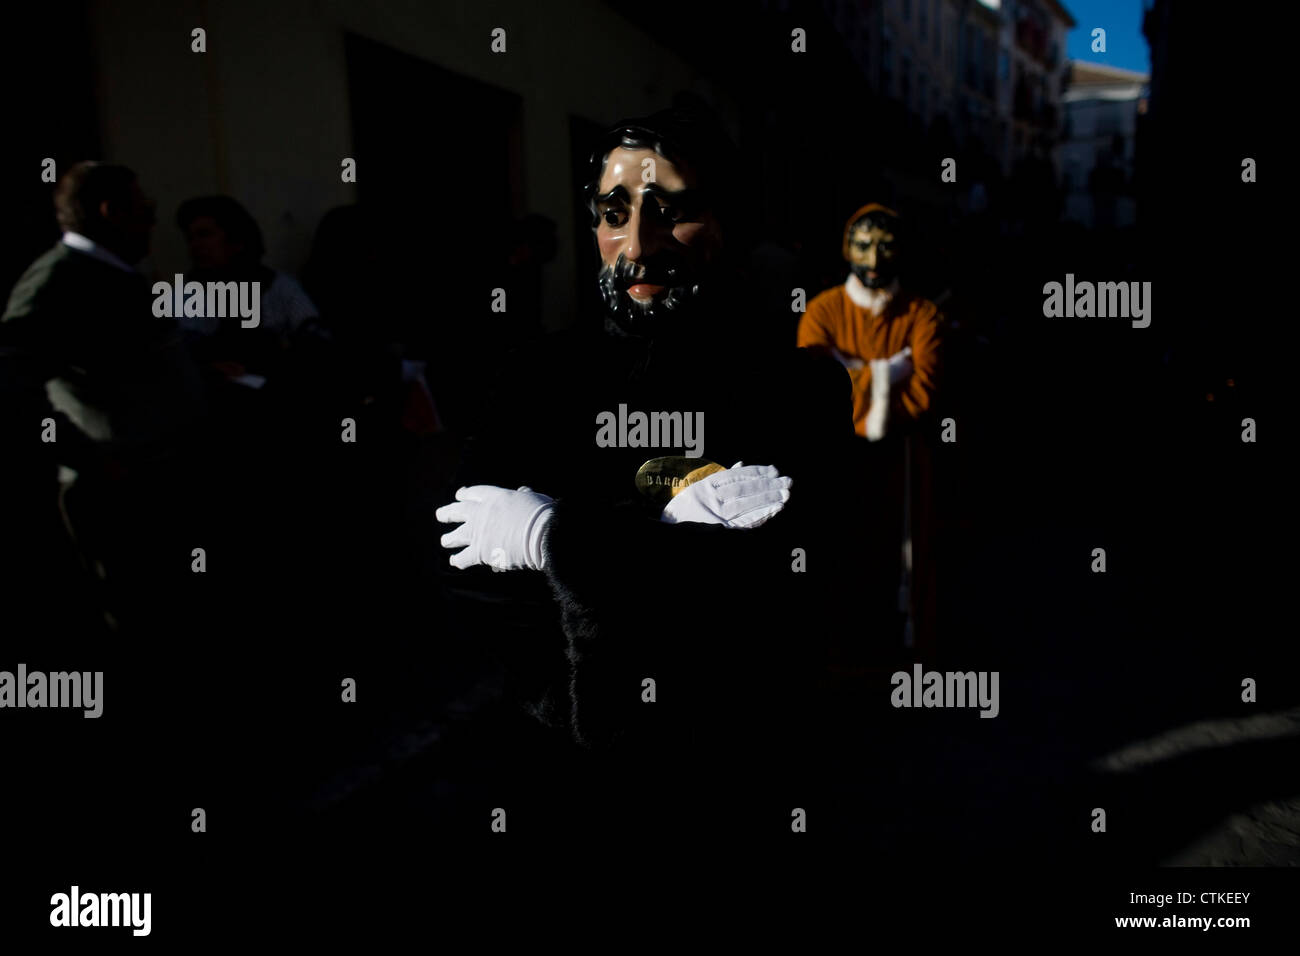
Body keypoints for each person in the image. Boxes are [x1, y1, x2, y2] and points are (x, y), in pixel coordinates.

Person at [434, 107, 860, 836]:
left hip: (740, 768)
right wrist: (670, 540)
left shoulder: (796, 387)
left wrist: (550, 538)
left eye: (676, 211)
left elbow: (784, 589)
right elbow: (464, 562)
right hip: (560, 769)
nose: (639, 242)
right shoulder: (532, 379)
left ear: (726, 223)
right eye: (614, 211)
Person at [0, 161, 210, 632]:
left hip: (169, 477)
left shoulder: (116, 275)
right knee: (144, 614)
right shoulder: (60, 281)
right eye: (145, 208)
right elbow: (12, 384)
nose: (154, 221)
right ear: (111, 211)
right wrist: (90, 457)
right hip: (125, 490)